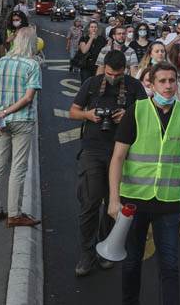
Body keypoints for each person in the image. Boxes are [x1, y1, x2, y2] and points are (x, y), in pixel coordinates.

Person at [108, 61, 180, 305]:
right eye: (162, 81)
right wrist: (114, 199)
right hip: (134, 200)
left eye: (172, 80)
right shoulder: (136, 111)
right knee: (132, 261)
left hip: (169, 201)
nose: (168, 86)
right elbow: (117, 157)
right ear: (151, 83)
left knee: (169, 264)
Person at [69, 49, 147, 276]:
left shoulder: (134, 86)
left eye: (119, 74)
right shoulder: (92, 84)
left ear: (125, 70)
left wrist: (128, 115)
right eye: (111, 74)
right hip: (93, 150)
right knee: (90, 203)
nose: (114, 78)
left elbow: (146, 113)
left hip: (122, 152)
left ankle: (106, 247)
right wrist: (89, 115)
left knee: (114, 206)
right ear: (105, 69)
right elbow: (73, 112)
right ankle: (86, 253)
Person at [0, 26, 42, 226]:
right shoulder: (32, 65)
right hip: (22, 120)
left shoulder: (1, 62)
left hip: (1, 122)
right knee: (18, 167)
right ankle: (14, 214)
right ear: (31, 44)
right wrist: (7, 112)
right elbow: (28, 98)